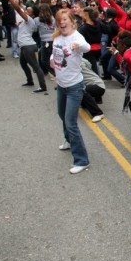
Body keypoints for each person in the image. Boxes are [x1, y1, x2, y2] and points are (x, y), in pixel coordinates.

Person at [50, 9, 91, 174]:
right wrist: (52, 60)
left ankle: (82, 160)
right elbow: (55, 55)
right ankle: (69, 140)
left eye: (65, 19)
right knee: (62, 115)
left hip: (74, 87)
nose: (62, 22)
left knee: (71, 123)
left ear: (72, 21)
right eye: (60, 19)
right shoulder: (58, 37)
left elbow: (87, 47)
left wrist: (78, 45)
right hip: (61, 85)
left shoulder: (77, 37)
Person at [4, 0, 47, 93]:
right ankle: (30, 81)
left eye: (28, 11)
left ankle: (43, 87)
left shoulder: (29, 19)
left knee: (36, 67)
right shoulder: (26, 20)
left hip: (28, 46)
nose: (26, 11)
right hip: (25, 46)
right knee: (23, 64)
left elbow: (18, 9)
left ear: (32, 14)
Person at [80, 58, 105, 123]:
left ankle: (98, 113)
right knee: (80, 90)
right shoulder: (81, 59)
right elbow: (89, 65)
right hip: (98, 83)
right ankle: (85, 104)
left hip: (98, 86)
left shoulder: (74, 64)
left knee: (82, 91)